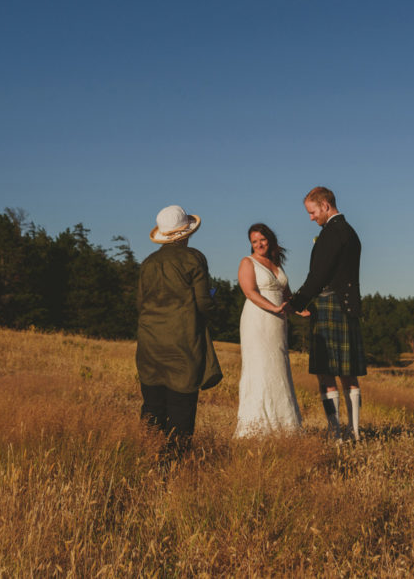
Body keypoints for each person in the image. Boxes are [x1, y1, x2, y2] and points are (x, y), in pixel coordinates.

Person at [136, 204, 222, 456]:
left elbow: (140, 304)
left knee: (152, 407)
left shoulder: (148, 263)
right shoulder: (194, 258)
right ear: (186, 233)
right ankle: (174, 466)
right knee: (181, 411)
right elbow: (204, 302)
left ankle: (148, 459)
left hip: (149, 345)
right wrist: (216, 308)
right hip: (183, 344)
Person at [283, 186, 366, 440]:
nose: (311, 218)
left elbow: (318, 276)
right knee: (349, 374)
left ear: (325, 206)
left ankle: (335, 434)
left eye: (312, 212)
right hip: (348, 305)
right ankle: (354, 433)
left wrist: (295, 303)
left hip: (330, 306)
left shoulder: (331, 233)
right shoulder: (350, 232)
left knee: (326, 372)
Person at [234, 222, 304, 437]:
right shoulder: (248, 262)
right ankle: (255, 428)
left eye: (262, 240)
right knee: (260, 368)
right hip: (258, 319)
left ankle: (285, 427)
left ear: (270, 239)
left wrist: (300, 310)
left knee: (278, 368)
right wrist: (273, 307)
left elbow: (287, 296)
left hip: (278, 322)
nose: (259, 244)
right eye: (254, 242)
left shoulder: (276, 264)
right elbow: (250, 292)